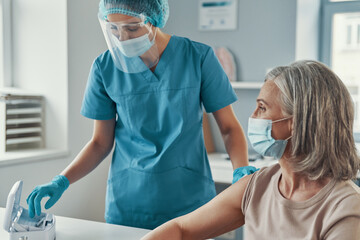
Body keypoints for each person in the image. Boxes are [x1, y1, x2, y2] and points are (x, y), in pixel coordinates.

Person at [25, 0, 256, 230]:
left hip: (190, 203)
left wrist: (240, 170)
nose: (122, 38)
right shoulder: (104, 67)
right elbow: (99, 143)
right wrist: (62, 181)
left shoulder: (198, 57)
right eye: (113, 29)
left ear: (154, 20)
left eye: (132, 28)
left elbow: (228, 128)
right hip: (130, 205)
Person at [141, 60, 360, 240]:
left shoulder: (345, 209)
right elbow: (181, 229)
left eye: (262, 107)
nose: (253, 116)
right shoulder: (258, 186)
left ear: (297, 122)